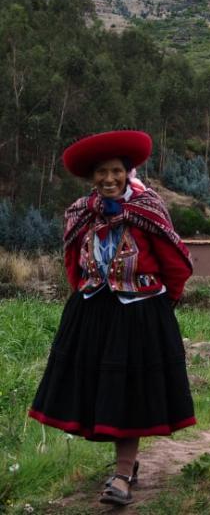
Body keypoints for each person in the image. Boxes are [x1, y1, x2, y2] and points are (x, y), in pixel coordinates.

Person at [28, 130, 195, 506]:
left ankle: (122, 474)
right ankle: (125, 464)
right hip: (93, 311)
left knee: (128, 394)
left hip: (139, 311)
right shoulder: (81, 212)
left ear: (127, 171)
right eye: (101, 172)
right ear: (92, 177)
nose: (109, 179)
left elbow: (175, 263)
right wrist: (86, 300)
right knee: (100, 391)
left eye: (116, 171)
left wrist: (160, 308)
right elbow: (73, 263)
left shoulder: (148, 208)